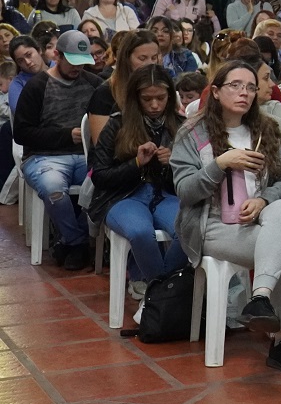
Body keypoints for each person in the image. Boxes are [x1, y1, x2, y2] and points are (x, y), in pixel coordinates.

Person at [170, 60, 281, 375]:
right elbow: (185, 191)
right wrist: (220, 164)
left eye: (250, 87)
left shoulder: (265, 128)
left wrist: (263, 200)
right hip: (211, 225)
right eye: (235, 86)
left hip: (260, 220)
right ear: (216, 91)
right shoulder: (192, 133)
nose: (244, 93)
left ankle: (259, 298)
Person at [89, 65, 187, 314]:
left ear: (170, 96)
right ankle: (166, 297)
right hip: (122, 196)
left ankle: (157, 297)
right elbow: (100, 176)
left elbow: (192, 178)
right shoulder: (117, 124)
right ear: (135, 98)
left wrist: (173, 164)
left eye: (161, 98)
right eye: (147, 99)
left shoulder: (182, 126)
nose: (154, 105)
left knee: (188, 227)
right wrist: (135, 163)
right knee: (141, 232)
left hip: (165, 194)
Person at [13, 30, 103, 269]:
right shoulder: (37, 86)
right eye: (72, 62)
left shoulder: (94, 84)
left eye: (81, 63)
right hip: (43, 157)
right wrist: (66, 136)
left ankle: (71, 241)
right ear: (57, 55)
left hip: (84, 156)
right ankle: (78, 242)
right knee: (54, 189)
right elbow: (21, 133)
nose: (77, 68)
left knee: (105, 183)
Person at [88, 29, 161, 144]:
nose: (150, 64)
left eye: (154, 58)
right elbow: (101, 145)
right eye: (142, 58)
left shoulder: (161, 88)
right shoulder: (104, 93)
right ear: (126, 59)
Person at [7, 36, 44, 115]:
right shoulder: (17, 84)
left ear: (39, 50)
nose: (27, 62)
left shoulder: (58, 69)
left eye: (29, 55)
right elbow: (22, 114)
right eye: (20, 61)